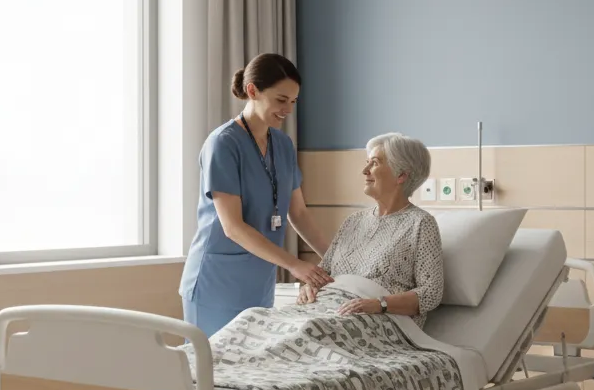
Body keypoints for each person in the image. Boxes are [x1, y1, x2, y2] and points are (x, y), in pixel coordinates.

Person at [179, 53, 332, 338]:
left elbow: (298, 213)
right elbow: (232, 227)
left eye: (293, 102)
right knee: (214, 373)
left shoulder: (283, 145)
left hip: (259, 283)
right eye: (280, 100)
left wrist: (336, 258)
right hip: (217, 283)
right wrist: (295, 265)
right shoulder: (223, 144)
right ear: (252, 91)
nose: (288, 109)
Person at [298, 133, 444, 328]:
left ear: (401, 175)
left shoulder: (421, 224)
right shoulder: (353, 222)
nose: (364, 170)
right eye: (367, 162)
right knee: (251, 318)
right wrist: (309, 287)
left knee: (311, 329)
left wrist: (378, 304)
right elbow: (322, 273)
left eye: (374, 163)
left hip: (376, 321)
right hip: (326, 309)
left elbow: (431, 292)